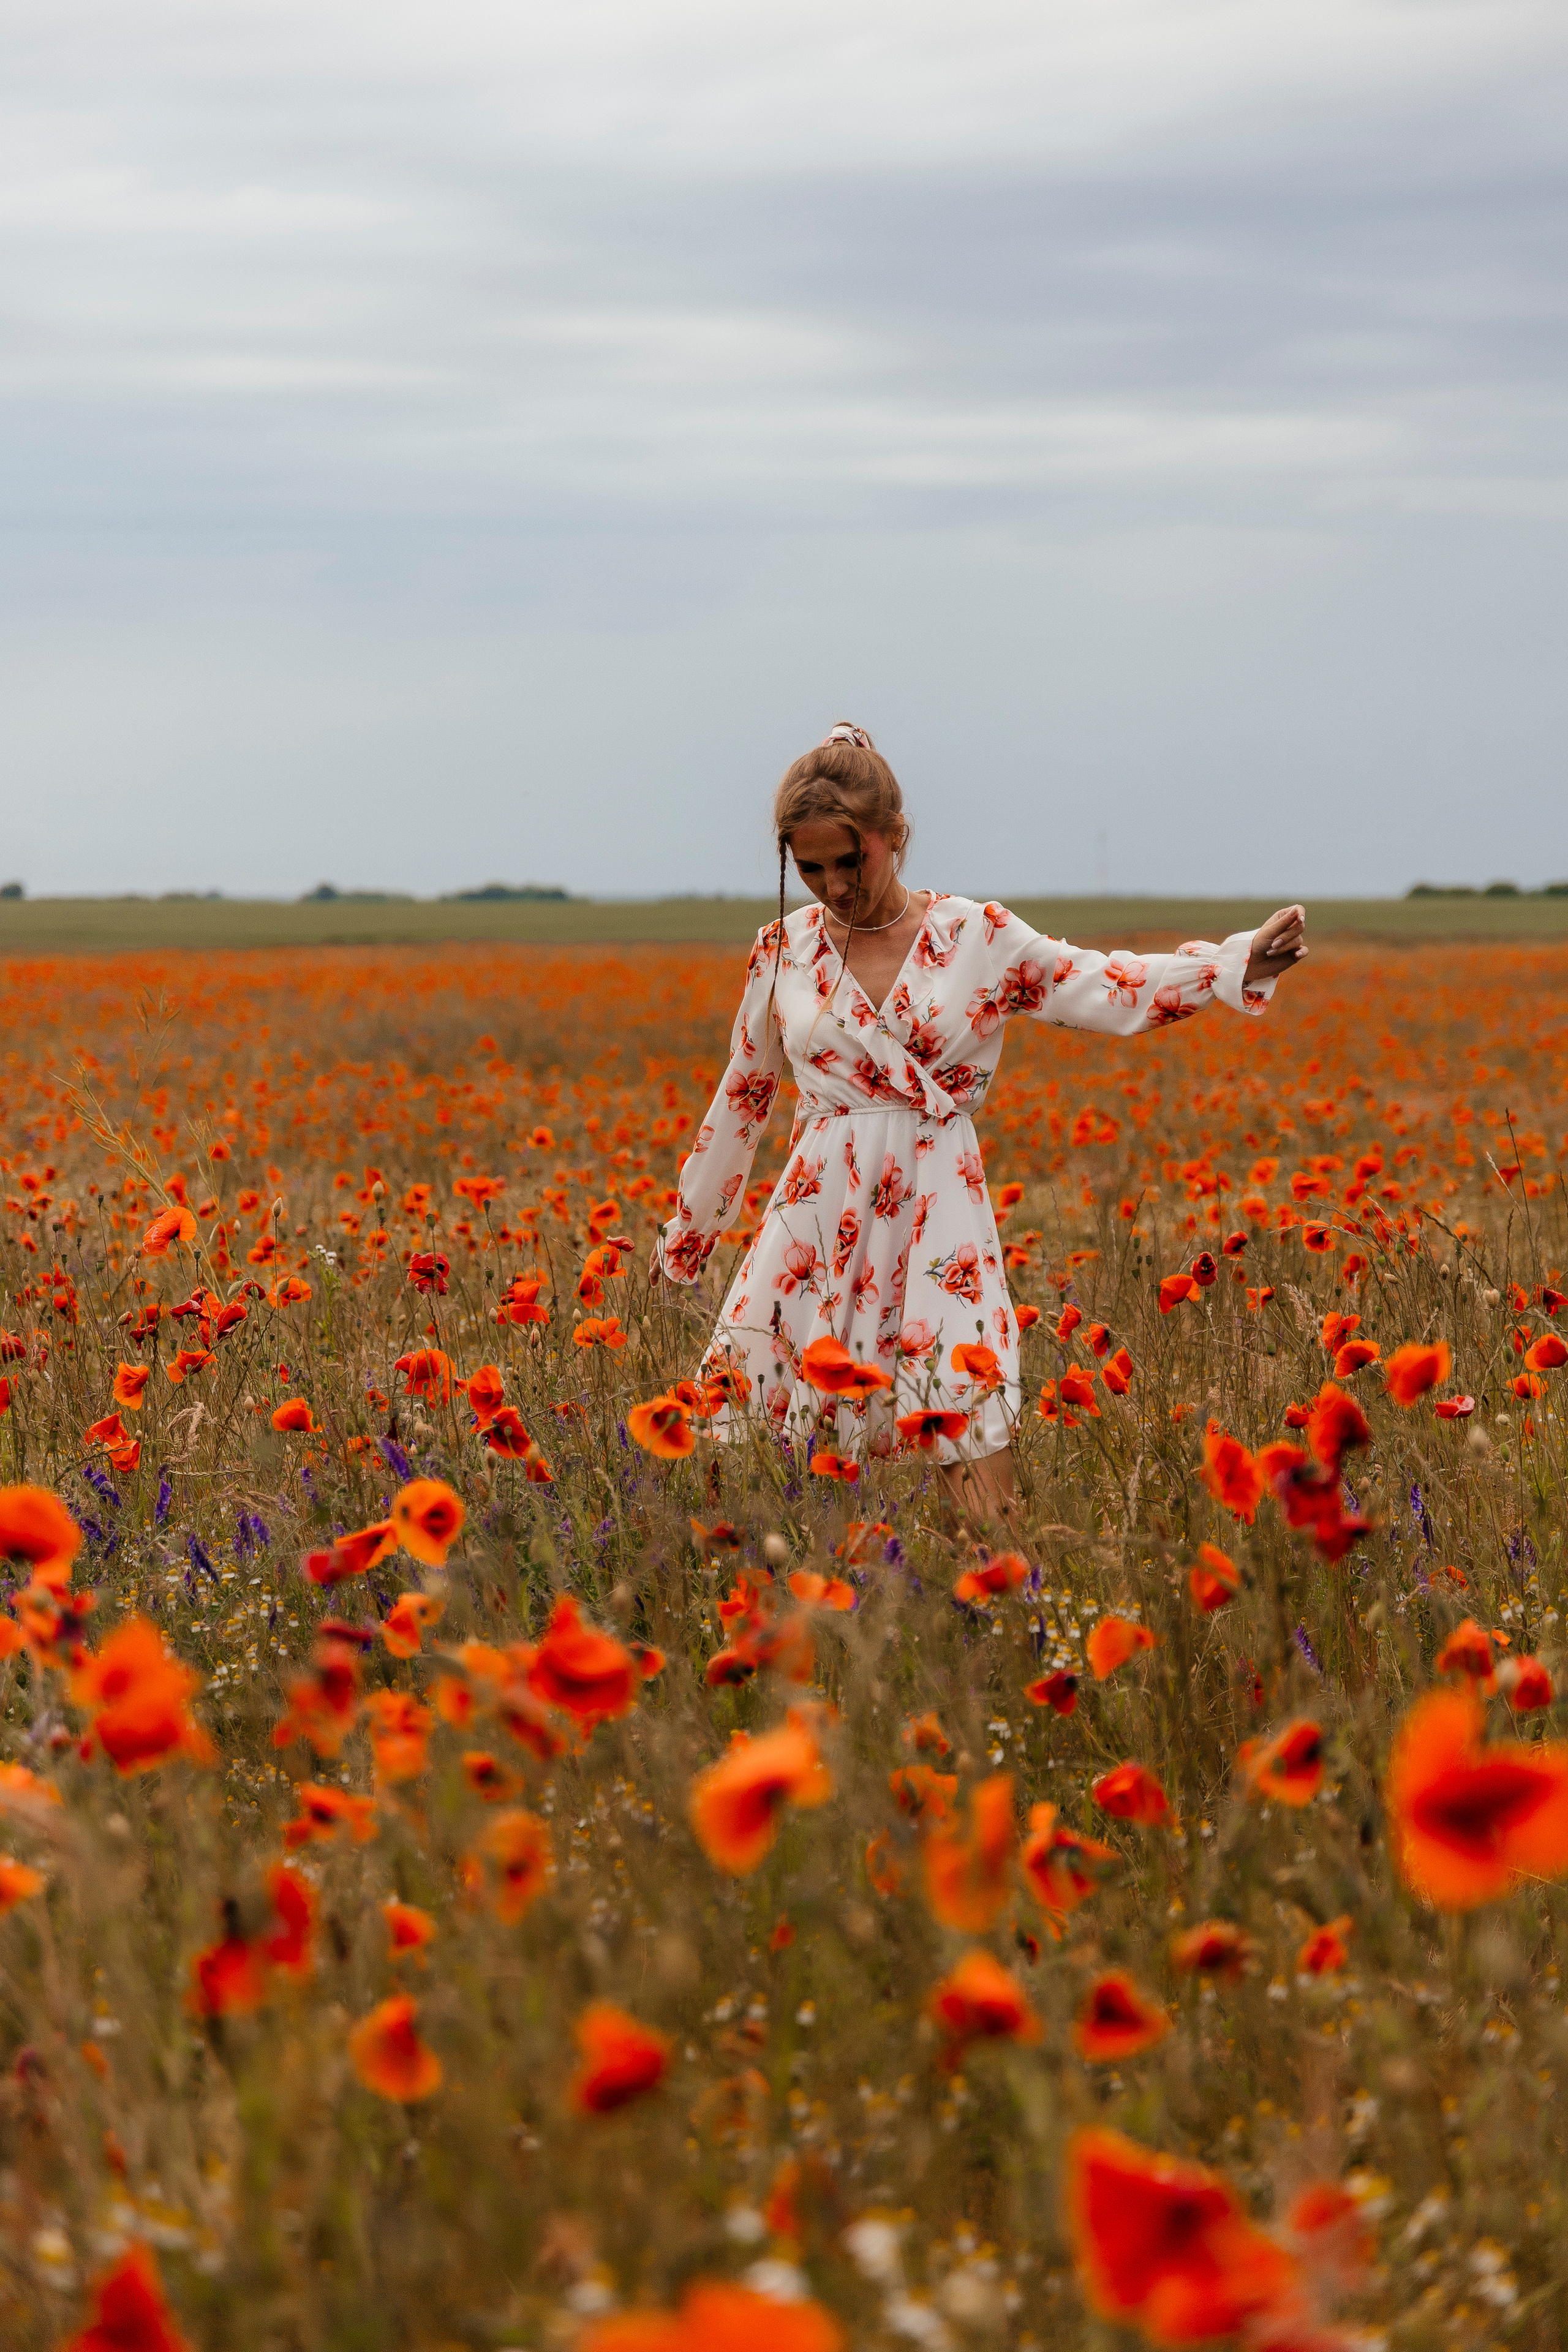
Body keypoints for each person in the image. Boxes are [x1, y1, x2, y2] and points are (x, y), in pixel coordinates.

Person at [653, 723, 1306, 1526]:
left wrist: (1234, 967)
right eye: (810, 867)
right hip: (817, 1215)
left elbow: (1105, 984)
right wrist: (690, 1234)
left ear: (895, 838)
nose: (832, 886)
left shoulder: (977, 937)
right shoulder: (780, 950)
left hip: (938, 1208)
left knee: (966, 1412)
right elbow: (745, 1092)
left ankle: (1004, 1616)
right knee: (763, 1452)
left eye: (850, 862)